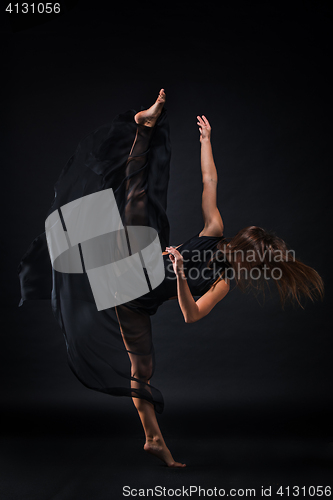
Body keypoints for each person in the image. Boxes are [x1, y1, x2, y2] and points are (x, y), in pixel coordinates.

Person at [17, 89, 324, 468]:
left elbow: (191, 315)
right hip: (135, 263)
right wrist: (206, 141)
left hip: (132, 299)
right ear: (242, 247)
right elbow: (209, 180)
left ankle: (153, 440)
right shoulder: (214, 229)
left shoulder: (224, 281)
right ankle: (144, 127)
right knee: (138, 200)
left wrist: (180, 275)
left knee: (141, 373)